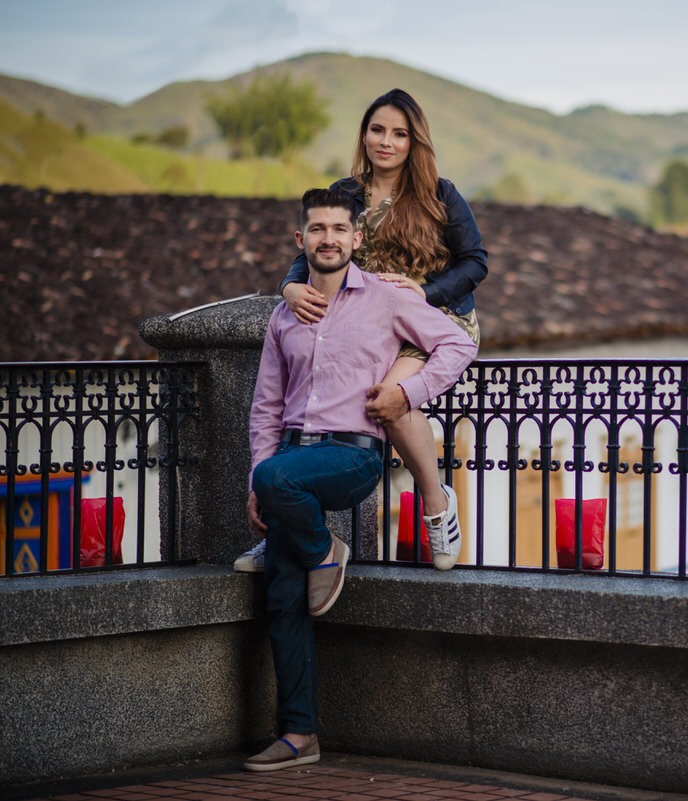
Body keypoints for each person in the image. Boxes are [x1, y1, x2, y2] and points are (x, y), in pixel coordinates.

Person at [243, 187, 477, 771]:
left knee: (280, 486)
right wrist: (256, 482)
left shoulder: (382, 299)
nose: (328, 238)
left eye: (338, 229)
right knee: (281, 597)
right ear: (301, 241)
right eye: (316, 229)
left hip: (352, 456)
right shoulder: (283, 315)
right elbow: (266, 407)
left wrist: (408, 393)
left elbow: (456, 342)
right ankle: (300, 735)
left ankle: (327, 553)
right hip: (289, 464)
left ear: (356, 238)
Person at [235, 88, 486, 574]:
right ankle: (284, 534)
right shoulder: (345, 193)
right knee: (301, 413)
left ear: (415, 142)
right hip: (373, 321)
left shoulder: (439, 193)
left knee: (386, 401)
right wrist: (289, 289)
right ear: (364, 135)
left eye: (399, 134)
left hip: (434, 317)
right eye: (377, 130)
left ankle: (436, 505)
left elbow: (475, 262)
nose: (386, 142)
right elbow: (311, 250)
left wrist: (423, 293)